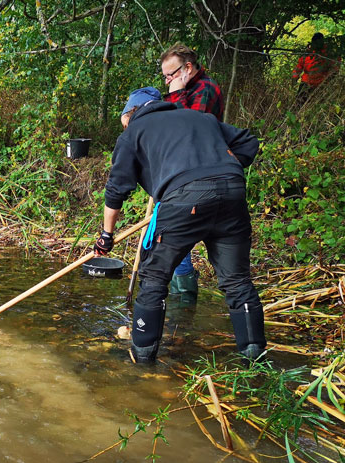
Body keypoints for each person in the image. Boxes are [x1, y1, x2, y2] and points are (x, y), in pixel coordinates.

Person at [93, 87, 266, 363]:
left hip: (184, 199)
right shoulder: (201, 118)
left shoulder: (133, 132)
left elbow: (116, 189)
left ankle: (142, 362)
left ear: (131, 114)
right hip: (232, 192)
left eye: (123, 119)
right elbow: (248, 143)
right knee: (237, 281)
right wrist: (222, 171)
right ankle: (255, 360)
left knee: (154, 279)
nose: (122, 125)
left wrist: (106, 235)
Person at [159, 43, 225, 303]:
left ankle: (184, 302)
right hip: (180, 171)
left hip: (199, 175)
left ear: (187, 68)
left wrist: (176, 93)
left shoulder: (205, 89)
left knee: (177, 232)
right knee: (168, 232)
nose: (168, 82)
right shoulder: (188, 89)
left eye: (170, 75)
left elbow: (187, 130)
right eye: (165, 77)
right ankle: (179, 305)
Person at [293, 33, 338, 105]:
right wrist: (294, 79)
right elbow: (298, 68)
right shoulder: (307, 53)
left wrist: (328, 81)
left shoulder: (328, 53)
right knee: (299, 104)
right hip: (306, 83)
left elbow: (335, 68)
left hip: (321, 84)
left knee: (319, 105)